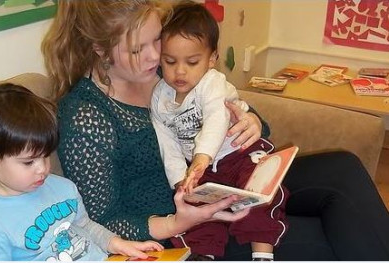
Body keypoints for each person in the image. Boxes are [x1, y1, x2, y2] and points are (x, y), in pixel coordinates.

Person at [41, 0, 389, 260]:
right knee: (323, 236)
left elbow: (218, 101)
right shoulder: (86, 117)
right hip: (190, 225)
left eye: (156, 40)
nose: (154, 56)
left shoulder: (165, 69)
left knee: (342, 169)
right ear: (99, 49)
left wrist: (251, 122)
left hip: (230, 175)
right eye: (137, 49)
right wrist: (177, 222)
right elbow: (100, 219)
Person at [0, 82, 164, 261]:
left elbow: (85, 225)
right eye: (29, 162)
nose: (43, 168)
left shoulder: (62, 187)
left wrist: (118, 244)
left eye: (46, 155)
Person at [150, 2, 287, 261]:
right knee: (195, 207)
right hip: (206, 170)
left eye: (192, 62)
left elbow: (215, 117)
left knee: (261, 191)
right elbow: (166, 142)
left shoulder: (212, 83)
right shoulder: (160, 97)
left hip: (240, 152)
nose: (180, 71)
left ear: (212, 59)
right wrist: (181, 180)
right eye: (169, 61)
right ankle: (204, 253)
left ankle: (262, 253)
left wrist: (202, 157)